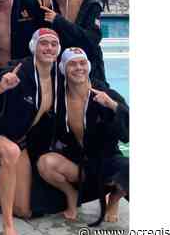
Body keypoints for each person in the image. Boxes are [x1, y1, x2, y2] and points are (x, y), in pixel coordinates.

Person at [0, 28, 62, 235]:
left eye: (53, 44)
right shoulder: (18, 70)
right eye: (43, 43)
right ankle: (8, 227)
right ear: (34, 47)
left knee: (25, 210)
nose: (48, 48)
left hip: (22, 141)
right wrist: (0, 88)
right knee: (11, 151)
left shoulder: (60, 76)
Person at [36, 47, 129, 225]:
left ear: (89, 66)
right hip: (80, 165)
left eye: (82, 63)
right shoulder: (58, 100)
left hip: (107, 161)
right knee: (45, 163)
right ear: (63, 68)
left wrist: (113, 106)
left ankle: (114, 199)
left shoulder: (107, 95)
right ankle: (71, 194)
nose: (79, 68)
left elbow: (129, 133)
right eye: (72, 64)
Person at [40, 0, 108, 87]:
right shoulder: (47, 5)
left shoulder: (89, 3)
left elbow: (92, 39)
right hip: (61, 73)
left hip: (90, 71)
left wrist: (59, 21)